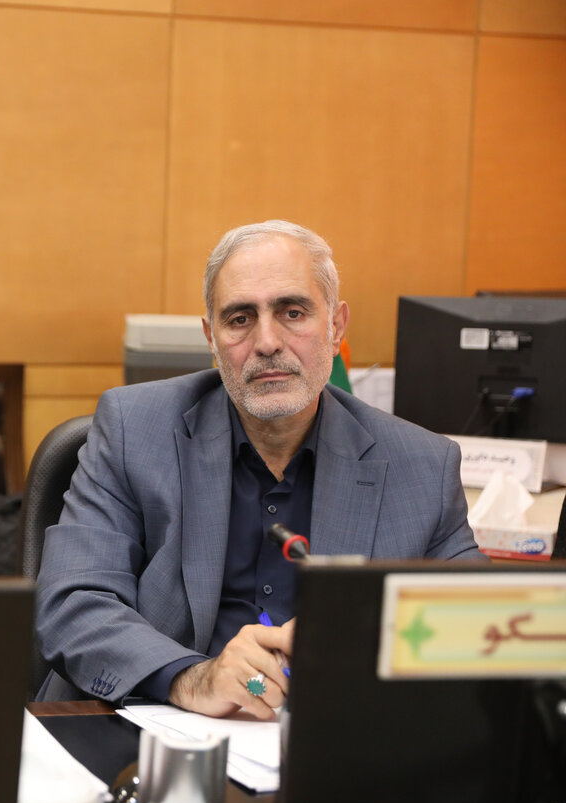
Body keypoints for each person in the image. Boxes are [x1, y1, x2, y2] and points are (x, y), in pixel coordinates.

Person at [35, 220, 483, 718]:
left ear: (336, 326)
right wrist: (191, 678)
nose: (267, 341)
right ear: (211, 337)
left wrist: (365, 643)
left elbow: (480, 623)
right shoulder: (132, 430)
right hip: (148, 725)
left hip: (329, 736)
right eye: (240, 318)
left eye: (293, 312)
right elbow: (74, 602)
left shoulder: (421, 466)